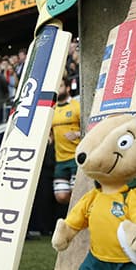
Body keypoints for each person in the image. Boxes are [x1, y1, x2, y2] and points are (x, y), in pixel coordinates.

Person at [50, 77, 81, 206]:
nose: (59, 88)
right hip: (60, 159)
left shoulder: (76, 106)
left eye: (61, 85)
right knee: (61, 197)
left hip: (76, 156)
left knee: (78, 193)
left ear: (68, 88)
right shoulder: (51, 110)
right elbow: (50, 129)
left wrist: (77, 134)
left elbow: (88, 129)